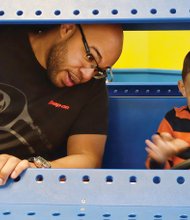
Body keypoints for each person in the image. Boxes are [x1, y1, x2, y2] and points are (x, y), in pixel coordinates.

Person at [0, 24, 123, 185]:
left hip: (32, 188)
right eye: (90, 57)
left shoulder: (92, 87)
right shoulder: (6, 42)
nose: (87, 75)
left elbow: (88, 158)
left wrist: (34, 168)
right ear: (67, 29)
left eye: (98, 70)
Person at [145, 51, 190, 169]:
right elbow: (155, 173)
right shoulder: (172, 120)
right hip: (179, 185)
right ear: (183, 88)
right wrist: (160, 157)